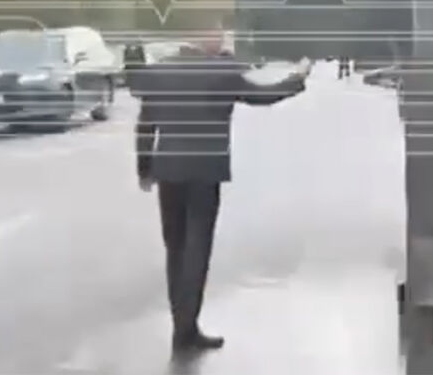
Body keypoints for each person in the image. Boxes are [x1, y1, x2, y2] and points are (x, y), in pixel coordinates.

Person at [133, 33, 312, 356]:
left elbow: (146, 122)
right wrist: (298, 77)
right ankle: (186, 329)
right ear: (208, 40)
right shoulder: (221, 72)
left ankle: (183, 326)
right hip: (205, 171)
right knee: (197, 250)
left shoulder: (161, 71)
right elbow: (263, 96)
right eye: (218, 35)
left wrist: (144, 167)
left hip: (169, 170)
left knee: (175, 251)